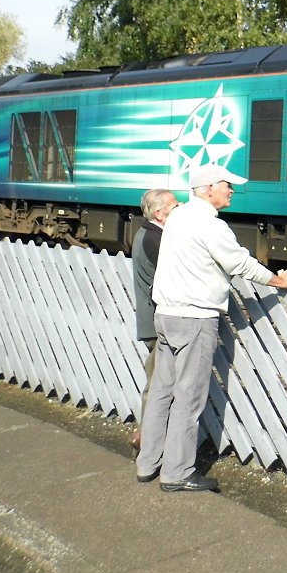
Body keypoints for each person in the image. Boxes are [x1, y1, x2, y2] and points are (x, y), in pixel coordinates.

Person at [135, 164, 287, 492]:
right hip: (194, 317)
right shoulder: (210, 225)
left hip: (166, 314)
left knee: (162, 392)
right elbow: (239, 263)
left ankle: (147, 463)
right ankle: (177, 472)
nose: (231, 191)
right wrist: (279, 279)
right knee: (188, 397)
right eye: (227, 185)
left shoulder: (177, 217)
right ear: (208, 189)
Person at [130, 187, 178, 452]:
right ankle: (146, 442)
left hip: (152, 321)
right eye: (175, 205)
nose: (179, 208)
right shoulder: (155, 240)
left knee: (158, 382)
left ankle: (147, 439)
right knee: (159, 385)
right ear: (159, 213)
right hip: (158, 323)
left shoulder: (147, 234)